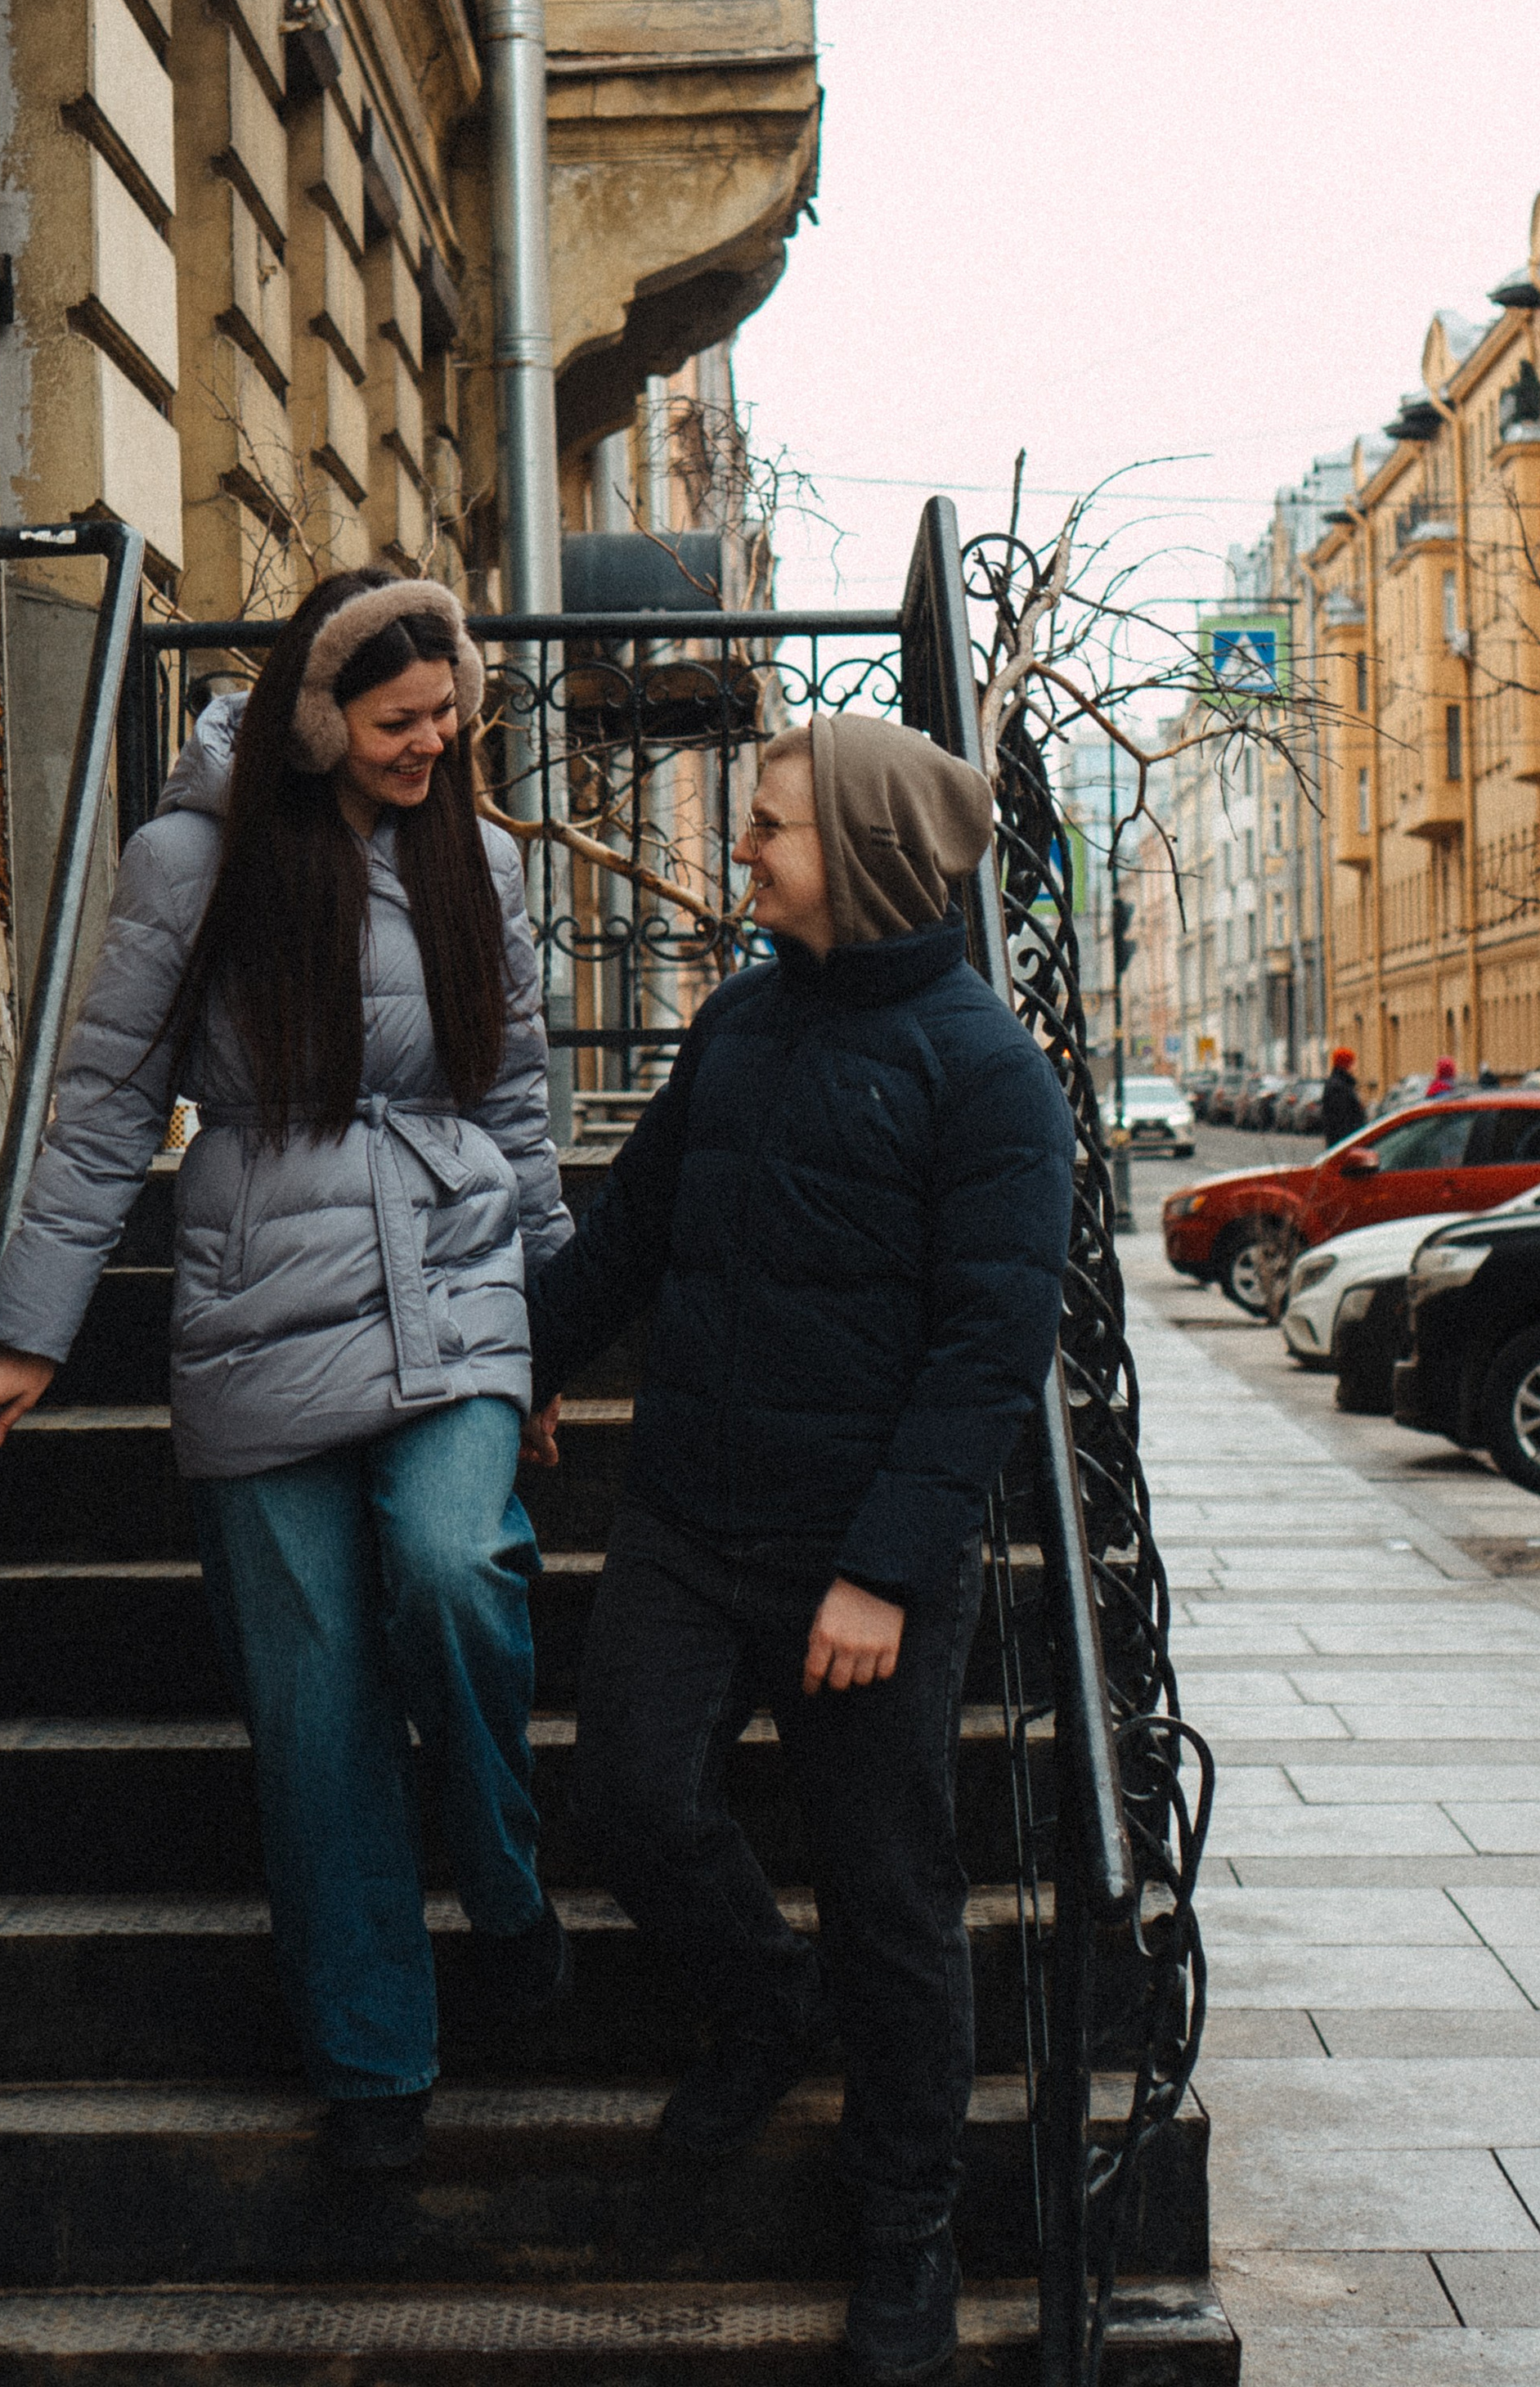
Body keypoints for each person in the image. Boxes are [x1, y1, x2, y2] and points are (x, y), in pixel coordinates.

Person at [0, 570, 575, 2173]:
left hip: (451, 1279)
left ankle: (501, 1876)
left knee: (450, 1566)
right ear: (312, 718)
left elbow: (517, 1113)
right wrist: (26, 1331)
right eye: (400, 722)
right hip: (249, 1301)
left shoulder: (472, 859)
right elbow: (101, 1104)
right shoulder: (184, 861)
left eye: (450, 716)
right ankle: (373, 2070)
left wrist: (551, 1336)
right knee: (312, 1710)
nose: (436, 745)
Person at [526, 715, 1075, 2387]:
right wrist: (521, 1366)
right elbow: (630, 1231)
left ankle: (903, 2235)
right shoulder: (740, 1022)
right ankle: (763, 2003)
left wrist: (885, 1571)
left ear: (865, 854)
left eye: (767, 828)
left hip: (858, 1560)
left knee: (895, 1901)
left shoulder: (988, 1075)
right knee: (627, 1790)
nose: (739, 852)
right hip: (690, 1518)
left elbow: (992, 1350)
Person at [1319, 1046, 1365, 1145]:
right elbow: (1341, 1119)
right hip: (1345, 1143)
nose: (1355, 1067)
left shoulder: (1342, 1084)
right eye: (1353, 1063)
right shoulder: (1339, 1087)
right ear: (1346, 1065)